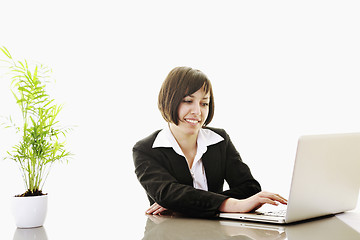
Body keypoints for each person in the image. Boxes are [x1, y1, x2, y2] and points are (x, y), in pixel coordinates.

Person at [133, 66, 287, 218]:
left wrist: (185, 202)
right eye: (188, 101)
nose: (197, 111)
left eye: (204, 103)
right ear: (168, 101)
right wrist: (232, 204)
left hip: (216, 230)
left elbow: (249, 188)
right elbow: (167, 193)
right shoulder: (146, 149)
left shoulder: (219, 140)